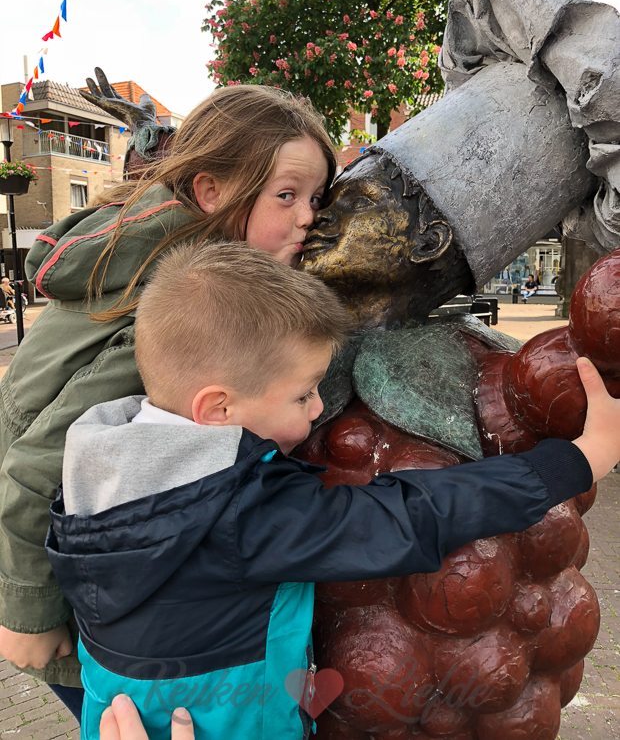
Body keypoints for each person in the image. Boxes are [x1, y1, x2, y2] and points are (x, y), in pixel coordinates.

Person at [46, 241, 620, 740]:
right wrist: (574, 462)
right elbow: (409, 514)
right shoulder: (243, 515)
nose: (320, 408)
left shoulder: (94, 473)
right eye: (302, 396)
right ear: (217, 408)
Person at [0, 84, 335, 715]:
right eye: (285, 196)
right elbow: (34, 471)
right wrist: (29, 613)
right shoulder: (183, 321)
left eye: (315, 198)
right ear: (212, 193)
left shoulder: (155, 263)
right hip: (80, 599)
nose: (308, 217)